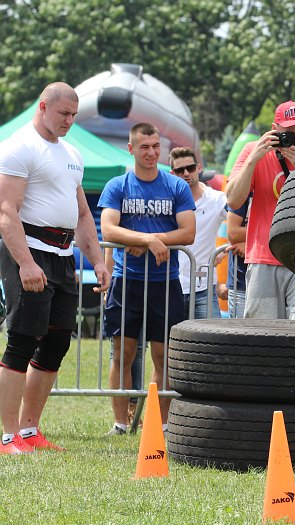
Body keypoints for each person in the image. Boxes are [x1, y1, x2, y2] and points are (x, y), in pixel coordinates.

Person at [0, 82, 111, 454]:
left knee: (57, 342)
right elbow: (6, 211)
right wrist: (25, 263)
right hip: (29, 251)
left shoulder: (72, 153)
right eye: (64, 113)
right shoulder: (19, 146)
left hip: (63, 257)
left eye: (74, 115)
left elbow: (82, 214)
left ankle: (30, 431)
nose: (70, 121)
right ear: (43, 106)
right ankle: (8, 437)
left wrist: (98, 261)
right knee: (22, 341)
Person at [99, 123, 196, 435]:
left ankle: (160, 424)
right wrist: (147, 240)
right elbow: (109, 229)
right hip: (125, 280)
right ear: (131, 149)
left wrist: (151, 240)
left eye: (156, 146)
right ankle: (120, 423)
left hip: (164, 282)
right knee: (123, 354)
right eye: (144, 147)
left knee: (163, 356)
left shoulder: (176, 186)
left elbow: (188, 232)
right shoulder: (118, 186)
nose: (151, 153)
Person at [226, 100, 295, 320]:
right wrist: (253, 159)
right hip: (264, 259)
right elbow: (233, 200)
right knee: (263, 332)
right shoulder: (253, 150)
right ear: (274, 129)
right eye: (289, 133)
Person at [171, 147, 228, 319]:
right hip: (171, 286)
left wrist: (225, 249)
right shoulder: (166, 200)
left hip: (204, 288)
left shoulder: (216, 199)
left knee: (212, 336)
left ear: (199, 168)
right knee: (169, 337)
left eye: (190, 168)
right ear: (173, 173)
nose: (186, 173)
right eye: (180, 170)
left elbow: (242, 221)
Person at [225, 195, 250, 318]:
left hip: (276, 281)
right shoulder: (243, 192)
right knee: (239, 328)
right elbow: (233, 233)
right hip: (240, 282)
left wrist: (251, 245)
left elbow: (284, 231)